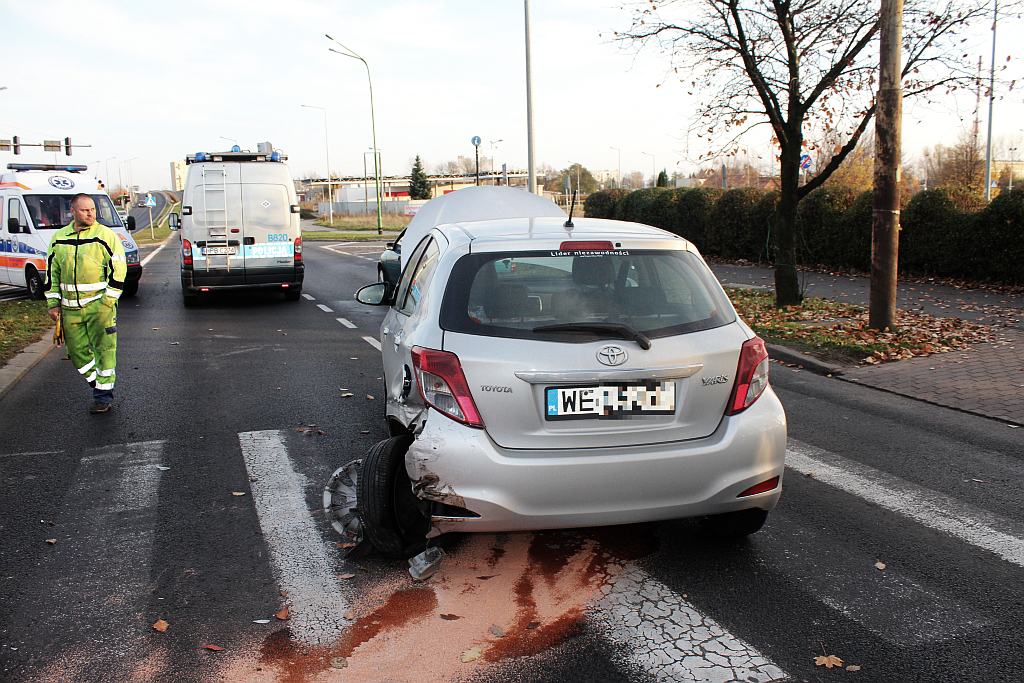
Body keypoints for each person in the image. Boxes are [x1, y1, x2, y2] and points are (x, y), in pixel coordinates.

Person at [44, 193, 127, 414]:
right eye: (85, 210)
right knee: (77, 353)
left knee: (105, 351)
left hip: (100, 307)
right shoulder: (59, 238)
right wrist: (53, 303)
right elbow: (52, 273)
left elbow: (119, 270)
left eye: (93, 209)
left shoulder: (106, 236)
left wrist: (107, 302)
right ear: (73, 211)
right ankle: (99, 384)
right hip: (70, 309)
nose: (91, 214)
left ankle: (103, 397)